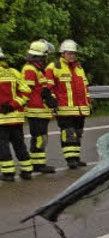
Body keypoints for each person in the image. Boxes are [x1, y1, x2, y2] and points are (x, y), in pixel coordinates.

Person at [47, 39, 90, 169]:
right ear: (62, 53)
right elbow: (49, 87)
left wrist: (88, 104)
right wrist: (52, 100)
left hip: (80, 109)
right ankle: (70, 160)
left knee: (78, 134)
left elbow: (85, 88)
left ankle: (76, 157)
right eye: (69, 53)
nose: (72, 56)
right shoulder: (54, 67)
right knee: (69, 134)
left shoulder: (79, 68)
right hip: (64, 109)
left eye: (73, 53)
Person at [21, 40, 56, 174]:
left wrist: (48, 97)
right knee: (39, 138)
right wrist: (44, 95)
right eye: (45, 56)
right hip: (35, 110)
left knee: (42, 138)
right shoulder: (30, 69)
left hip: (41, 109)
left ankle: (39, 163)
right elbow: (28, 90)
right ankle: (37, 164)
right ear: (39, 56)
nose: (46, 59)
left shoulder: (37, 69)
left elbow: (41, 88)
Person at [0, 47, 34, 181]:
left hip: (1, 120)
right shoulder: (13, 72)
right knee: (19, 144)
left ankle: (8, 174)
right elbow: (26, 92)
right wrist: (13, 105)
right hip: (16, 118)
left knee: (2, 147)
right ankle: (27, 171)